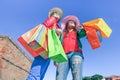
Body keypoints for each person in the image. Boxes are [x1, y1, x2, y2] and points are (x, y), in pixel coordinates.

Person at [27, 7, 63, 80]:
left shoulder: (57, 25)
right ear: (52, 15)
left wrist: (55, 60)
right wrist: (55, 31)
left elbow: (56, 44)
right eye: (55, 13)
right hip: (44, 47)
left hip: (48, 50)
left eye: (58, 14)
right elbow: (44, 27)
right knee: (37, 72)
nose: (57, 15)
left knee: (41, 73)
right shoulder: (52, 19)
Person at [55, 15, 86, 80]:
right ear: (66, 24)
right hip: (63, 56)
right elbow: (58, 45)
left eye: (74, 22)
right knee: (59, 77)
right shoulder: (62, 33)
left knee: (77, 76)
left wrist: (83, 29)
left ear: (75, 25)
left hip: (76, 54)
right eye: (70, 21)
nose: (72, 22)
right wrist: (56, 59)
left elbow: (83, 34)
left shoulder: (77, 33)